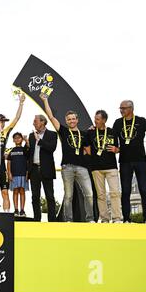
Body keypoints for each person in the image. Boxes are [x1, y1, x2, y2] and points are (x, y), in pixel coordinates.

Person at [40, 93, 94, 222]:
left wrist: (94, 132)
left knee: (89, 194)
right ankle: (68, 220)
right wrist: (45, 100)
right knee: (68, 195)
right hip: (67, 167)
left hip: (82, 167)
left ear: (77, 120)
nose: (71, 121)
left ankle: (90, 218)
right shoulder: (63, 131)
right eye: (69, 119)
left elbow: (89, 151)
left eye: (73, 119)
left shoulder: (84, 134)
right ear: (66, 121)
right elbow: (51, 116)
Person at [113, 100, 146, 223]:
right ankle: (126, 219)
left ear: (131, 108)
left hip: (140, 160)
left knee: (143, 189)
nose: (121, 110)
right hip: (125, 161)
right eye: (120, 108)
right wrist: (116, 148)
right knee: (125, 191)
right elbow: (112, 138)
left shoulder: (140, 121)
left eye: (124, 108)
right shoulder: (117, 122)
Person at [0, 93, 25, 212]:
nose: (3, 124)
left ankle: (6, 216)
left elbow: (16, 118)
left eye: (4, 122)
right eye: (1, 121)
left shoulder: (6, 132)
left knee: (5, 192)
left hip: (1, 166)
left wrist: (21, 103)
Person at [85, 110, 122, 223]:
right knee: (101, 195)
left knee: (115, 192)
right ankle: (104, 218)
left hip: (111, 167)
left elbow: (118, 147)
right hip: (96, 168)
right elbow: (86, 148)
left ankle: (117, 218)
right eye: (95, 118)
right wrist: (96, 155)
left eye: (97, 119)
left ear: (104, 120)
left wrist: (117, 150)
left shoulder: (112, 131)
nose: (95, 121)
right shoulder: (90, 132)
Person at [27, 115, 58, 222]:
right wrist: (26, 146)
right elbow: (29, 154)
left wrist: (39, 140)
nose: (33, 123)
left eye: (35, 121)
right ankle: (37, 219)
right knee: (35, 196)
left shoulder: (52, 134)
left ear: (43, 122)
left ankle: (52, 220)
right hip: (34, 170)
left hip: (47, 169)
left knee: (49, 196)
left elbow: (51, 148)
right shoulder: (31, 136)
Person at [7, 132, 30, 217]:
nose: (17, 139)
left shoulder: (25, 149)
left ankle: (22, 210)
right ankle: (16, 209)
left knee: (22, 191)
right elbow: (8, 162)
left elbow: (28, 161)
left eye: (19, 138)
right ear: (13, 140)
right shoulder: (11, 150)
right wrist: (9, 173)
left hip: (23, 174)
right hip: (14, 174)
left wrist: (28, 173)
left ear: (22, 139)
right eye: (15, 138)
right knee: (15, 191)